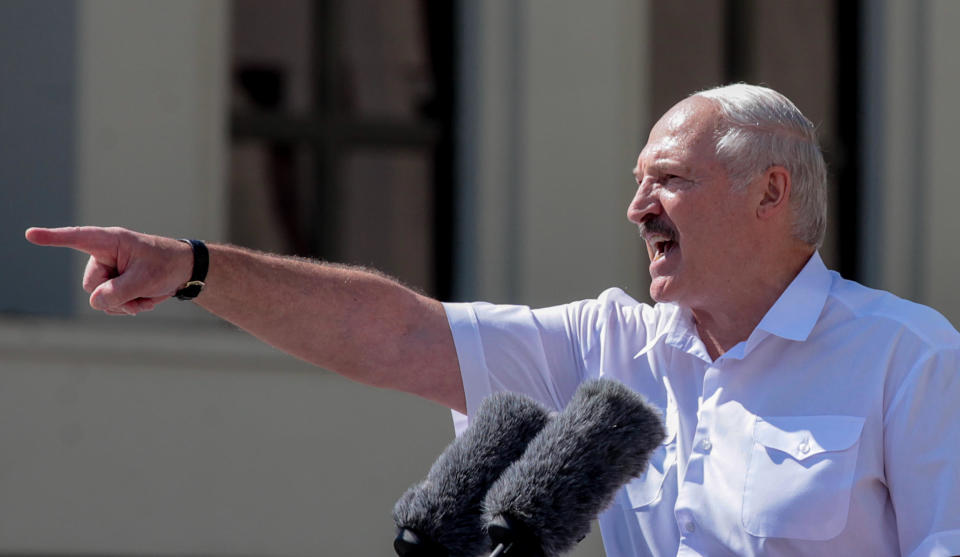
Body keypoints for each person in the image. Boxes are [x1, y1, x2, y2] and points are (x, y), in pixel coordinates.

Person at [26, 84, 960, 557]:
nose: (638, 208)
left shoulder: (907, 359)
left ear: (771, 192)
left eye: (669, 180)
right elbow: (397, 333)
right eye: (636, 183)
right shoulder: (610, 346)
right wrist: (196, 270)